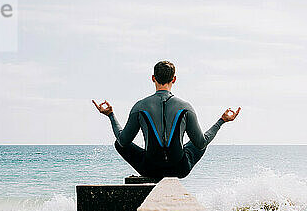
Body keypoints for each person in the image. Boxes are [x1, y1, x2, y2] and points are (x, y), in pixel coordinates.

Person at [92, 60, 240, 178]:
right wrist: (222, 121)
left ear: (153, 78)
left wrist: (111, 116)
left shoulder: (140, 106)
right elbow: (200, 143)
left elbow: (123, 142)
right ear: (174, 79)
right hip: (180, 169)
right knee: (203, 140)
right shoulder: (186, 107)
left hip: (150, 169)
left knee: (118, 144)